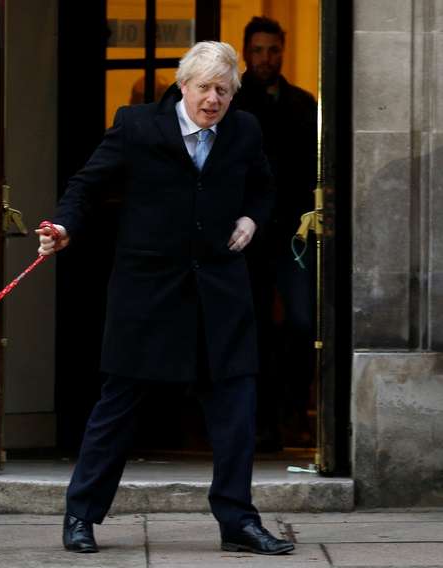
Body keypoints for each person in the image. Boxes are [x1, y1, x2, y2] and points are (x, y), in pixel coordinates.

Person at [37, 41, 294, 556]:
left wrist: (251, 218)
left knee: (236, 409)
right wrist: (64, 225)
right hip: (148, 291)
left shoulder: (243, 130)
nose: (213, 99)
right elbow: (87, 185)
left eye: (224, 90)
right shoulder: (136, 125)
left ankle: (237, 521)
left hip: (220, 292)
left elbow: (265, 188)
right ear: (183, 86)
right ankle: (81, 515)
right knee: (118, 408)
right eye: (204, 88)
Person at [231, 16, 318, 450]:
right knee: (256, 327)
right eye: (258, 49)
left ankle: (296, 410)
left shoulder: (304, 104)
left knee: (303, 322)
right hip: (247, 235)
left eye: (273, 49)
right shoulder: (232, 101)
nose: (266, 58)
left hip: (294, 233)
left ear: (282, 51)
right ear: (246, 51)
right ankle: (261, 421)